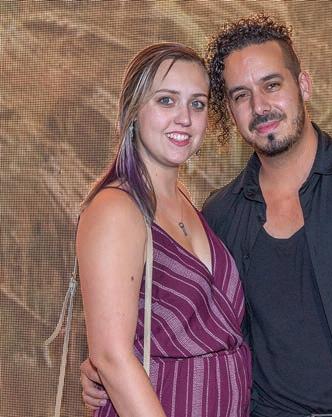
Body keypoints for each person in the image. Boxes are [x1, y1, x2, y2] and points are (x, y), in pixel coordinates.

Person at [81, 15, 332, 417]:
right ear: (229, 111)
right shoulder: (220, 215)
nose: (260, 106)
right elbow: (182, 320)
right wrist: (110, 360)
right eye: (241, 95)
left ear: (303, 85)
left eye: (272, 85)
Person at [77, 42, 251, 417]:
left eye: (197, 104)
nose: (184, 118)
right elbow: (111, 357)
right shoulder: (116, 209)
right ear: (133, 110)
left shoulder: (191, 204)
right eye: (166, 100)